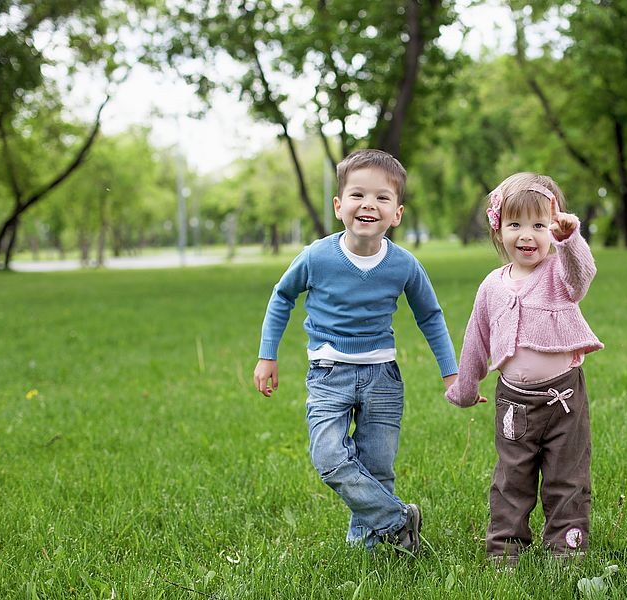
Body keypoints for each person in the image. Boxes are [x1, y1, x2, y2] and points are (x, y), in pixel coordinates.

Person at [254, 149, 458, 553]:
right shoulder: (317, 257)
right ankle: (399, 519)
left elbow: (430, 316)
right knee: (329, 456)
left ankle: (365, 549)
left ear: (397, 213)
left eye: (383, 198)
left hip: (382, 377)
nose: (369, 204)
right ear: (339, 205)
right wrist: (267, 354)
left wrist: (451, 372)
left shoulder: (404, 265)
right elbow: (282, 297)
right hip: (329, 374)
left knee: (377, 467)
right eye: (358, 195)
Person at [445, 172, 604, 565]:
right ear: (499, 231)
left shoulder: (559, 273)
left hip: (564, 399)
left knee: (567, 478)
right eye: (515, 224)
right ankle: (504, 551)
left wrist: (570, 240)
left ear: (553, 227)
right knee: (511, 479)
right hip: (513, 403)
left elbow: (582, 277)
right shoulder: (492, 286)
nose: (527, 235)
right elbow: (475, 340)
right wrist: (465, 389)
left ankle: (566, 551)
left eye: (539, 224)